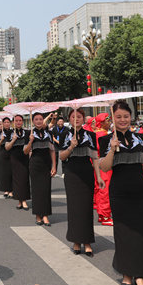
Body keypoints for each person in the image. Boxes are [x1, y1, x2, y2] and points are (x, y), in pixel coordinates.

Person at [99, 101, 143, 285]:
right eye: (118, 117)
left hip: (140, 191)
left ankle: (139, 274)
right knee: (123, 233)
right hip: (119, 192)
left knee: (141, 233)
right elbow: (104, 168)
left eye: (126, 116)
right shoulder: (105, 140)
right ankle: (126, 273)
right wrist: (111, 149)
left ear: (130, 117)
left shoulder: (141, 139)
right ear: (113, 119)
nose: (123, 120)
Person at [59, 109, 104, 256]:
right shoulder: (65, 134)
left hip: (86, 172)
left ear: (84, 119)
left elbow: (95, 158)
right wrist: (71, 146)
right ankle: (76, 241)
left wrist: (99, 177)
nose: (76, 119)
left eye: (79, 116)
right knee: (74, 208)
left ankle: (87, 241)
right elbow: (62, 156)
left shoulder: (90, 135)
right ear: (69, 119)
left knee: (86, 207)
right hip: (71, 173)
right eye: (73, 117)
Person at [24, 113, 57, 226]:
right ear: (33, 121)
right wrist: (30, 141)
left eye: (41, 119)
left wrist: (54, 166)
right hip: (35, 164)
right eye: (36, 119)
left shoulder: (48, 132)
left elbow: (52, 150)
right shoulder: (29, 133)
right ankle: (38, 215)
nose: (39, 121)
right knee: (37, 190)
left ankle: (46, 215)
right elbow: (25, 151)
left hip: (46, 164)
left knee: (46, 190)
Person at [6, 115, 31, 210]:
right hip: (14, 158)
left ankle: (24, 200)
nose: (18, 122)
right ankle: (20, 201)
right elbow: (7, 147)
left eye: (20, 120)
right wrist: (13, 140)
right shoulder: (10, 132)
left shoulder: (27, 132)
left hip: (24, 157)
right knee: (17, 179)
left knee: (24, 179)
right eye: (16, 121)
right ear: (13, 122)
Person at [93, 113, 113, 226]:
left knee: (101, 190)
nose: (109, 122)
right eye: (107, 120)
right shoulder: (102, 135)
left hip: (98, 164)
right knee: (105, 190)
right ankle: (105, 215)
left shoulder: (97, 133)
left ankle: (102, 214)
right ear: (102, 122)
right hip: (104, 164)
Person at [0, 118, 14, 198]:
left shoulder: (13, 132)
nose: (6, 123)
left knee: (12, 172)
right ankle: (6, 189)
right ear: (2, 124)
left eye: (8, 122)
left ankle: (12, 190)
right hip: (3, 154)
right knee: (5, 172)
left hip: (12, 153)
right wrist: (1, 139)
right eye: (5, 122)